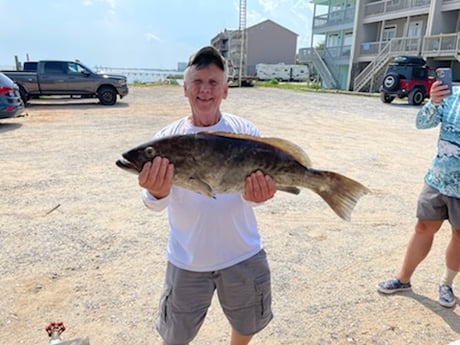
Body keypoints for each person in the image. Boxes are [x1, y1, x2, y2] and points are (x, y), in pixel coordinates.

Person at [137, 46, 276, 345]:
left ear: (225, 90)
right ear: (185, 88)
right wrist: (156, 191)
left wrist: (259, 195)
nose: (205, 90)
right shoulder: (166, 139)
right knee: (175, 334)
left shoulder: (245, 132)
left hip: (242, 252)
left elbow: (250, 197)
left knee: (246, 322)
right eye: (197, 82)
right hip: (187, 258)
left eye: (213, 83)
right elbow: (153, 203)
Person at [377, 79, 460, 308]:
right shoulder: (451, 95)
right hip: (437, 178)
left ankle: (446, 283)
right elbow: (422, 123)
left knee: (459, 236)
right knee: (423, 227)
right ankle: (403, 279)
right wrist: (433, 102)